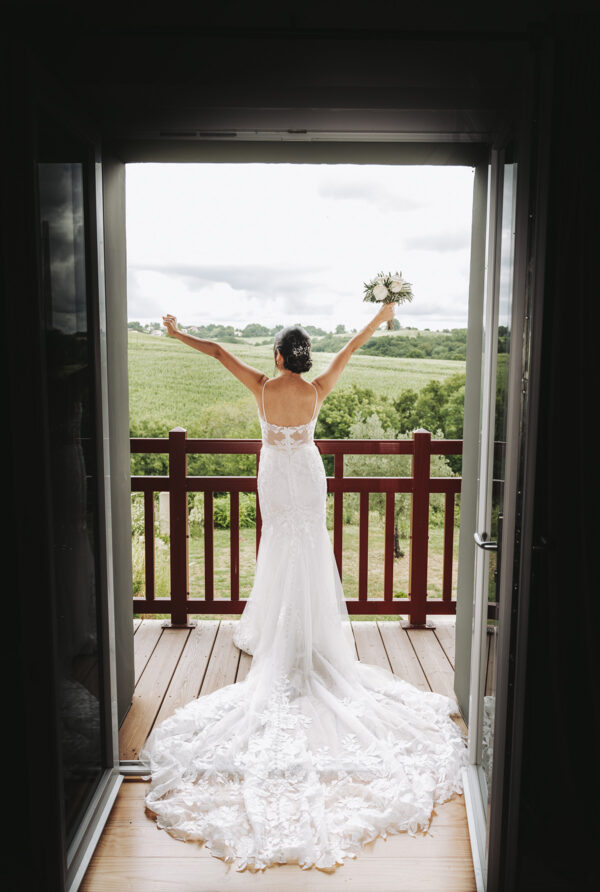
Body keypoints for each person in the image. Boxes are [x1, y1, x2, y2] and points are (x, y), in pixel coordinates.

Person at [139, 306, 468, 873]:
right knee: (310, 549)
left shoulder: (263, 388)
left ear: (275, 355)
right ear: (303, 356)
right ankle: (308, 632)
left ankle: (275, 631)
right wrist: (382, 314)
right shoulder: (317, 388)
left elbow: (218, 353)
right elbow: (353, 349)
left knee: (281, 549)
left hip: (276, 475)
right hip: (308, 475)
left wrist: (176, 333)